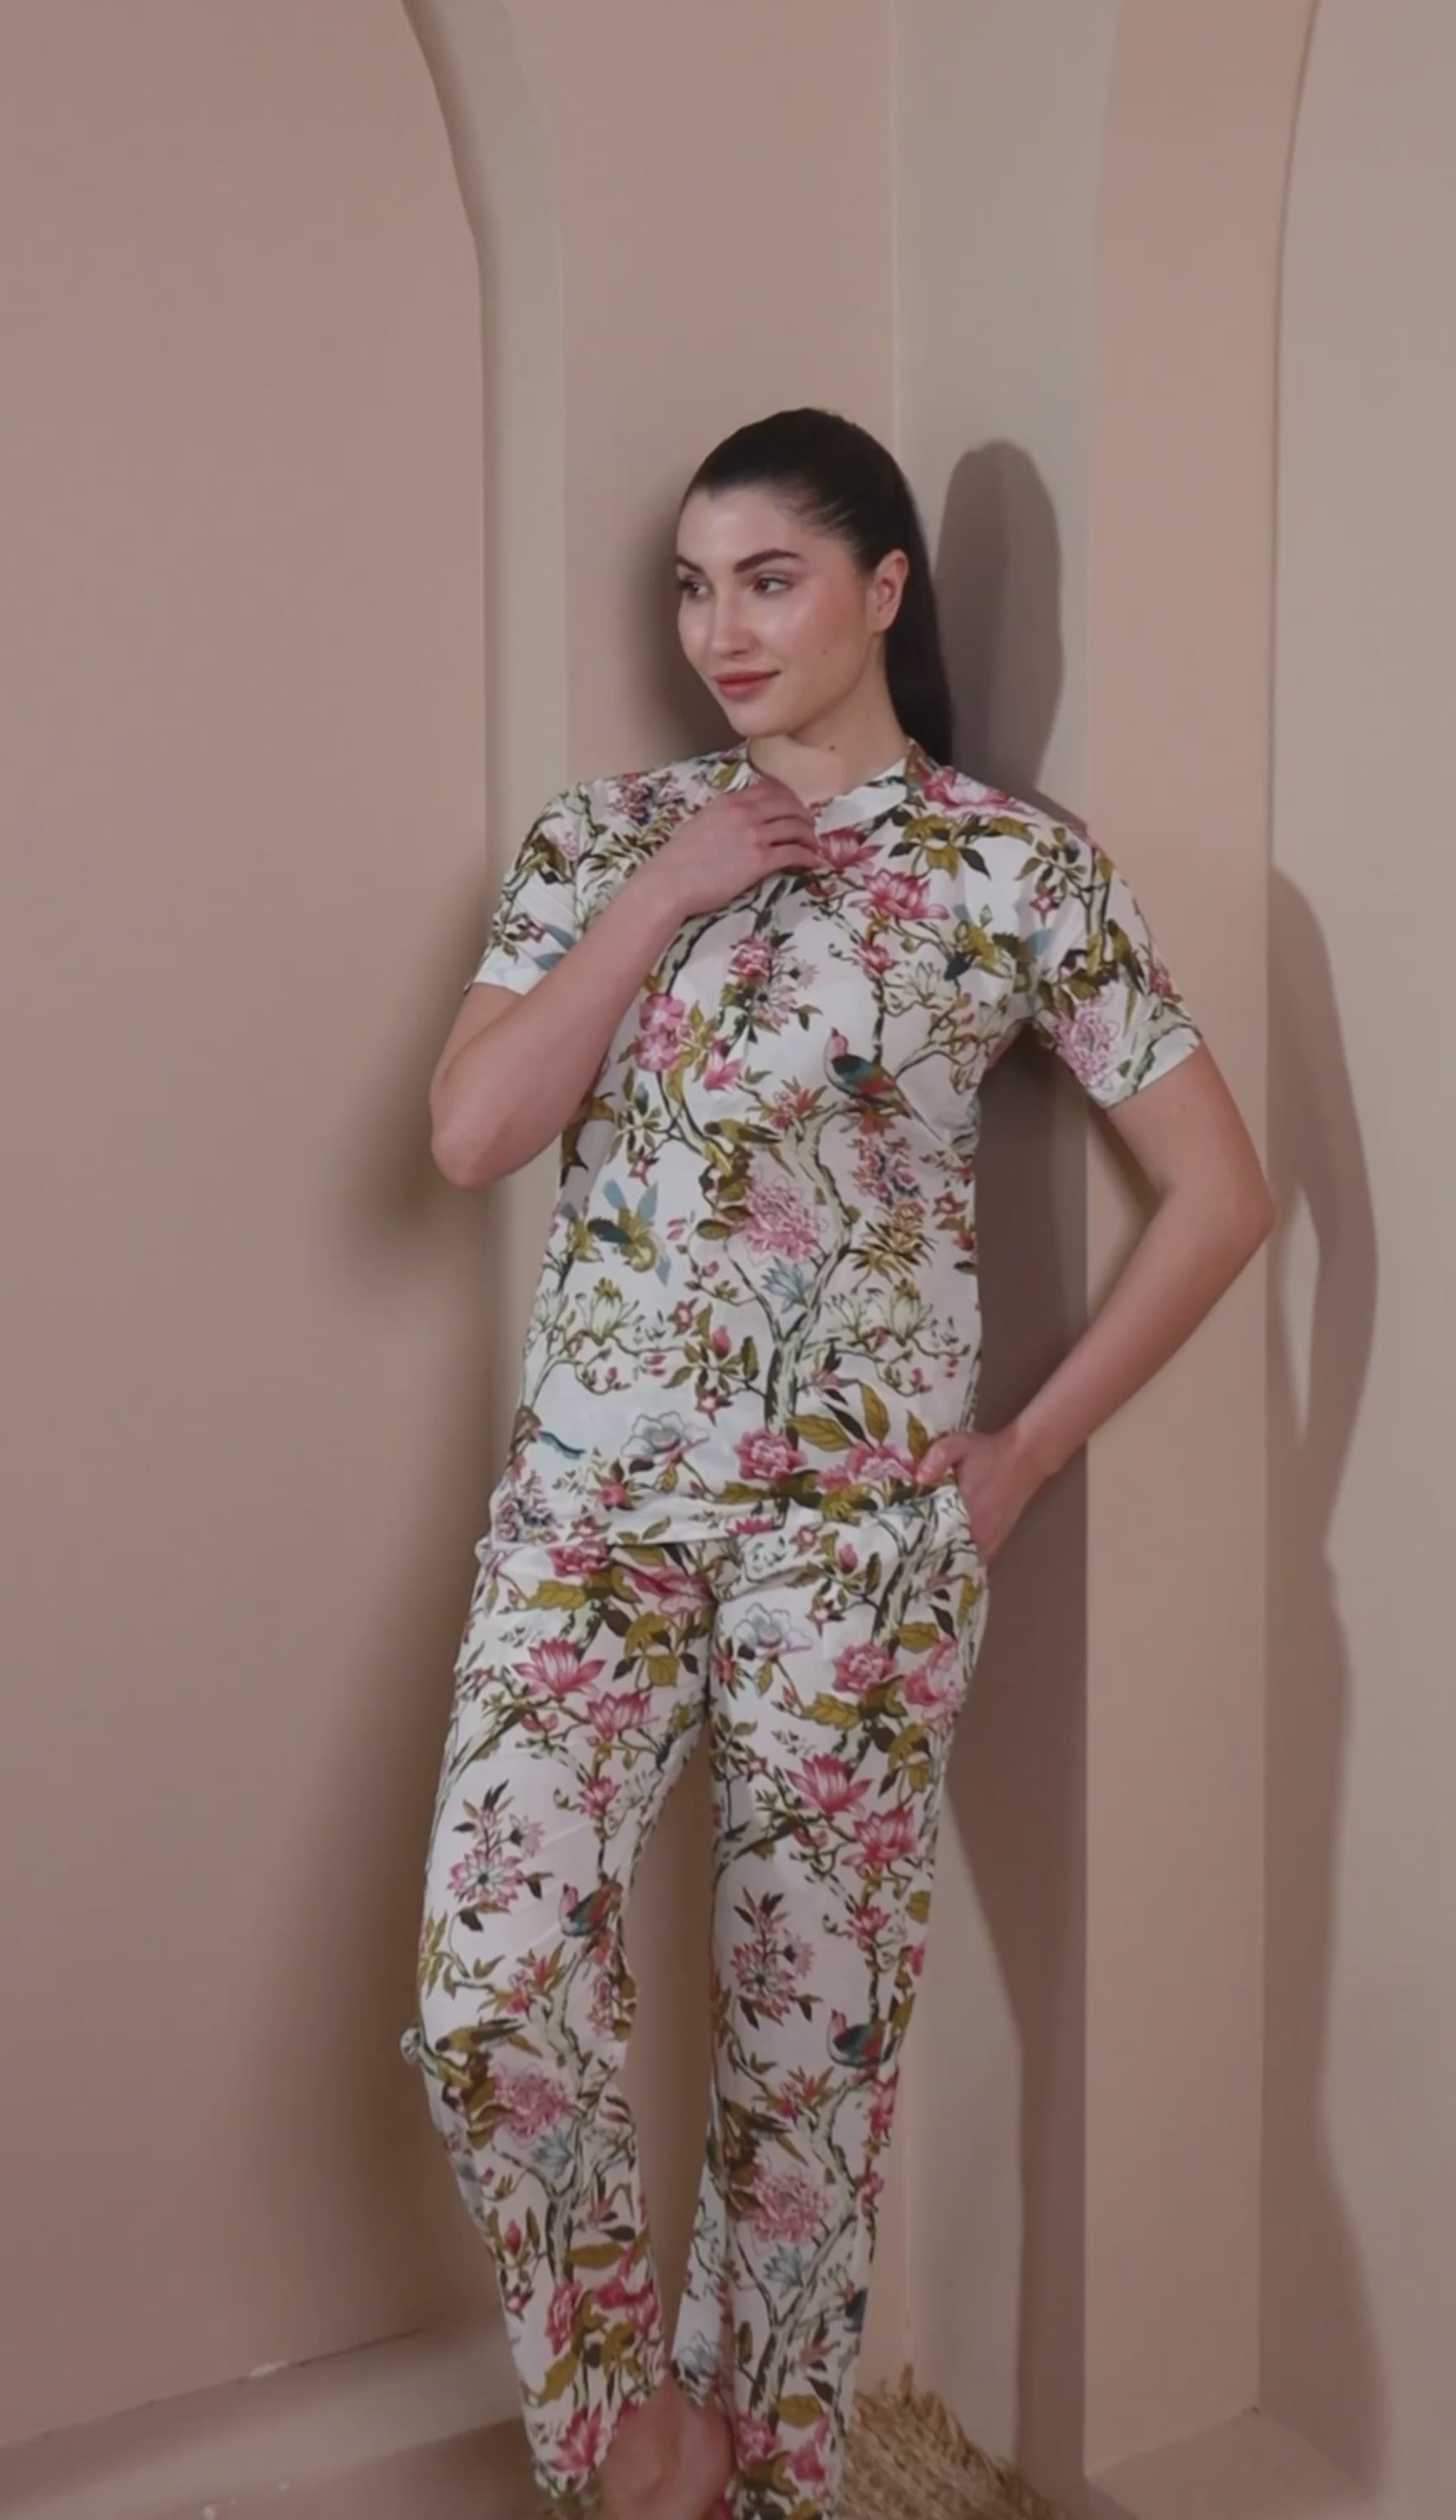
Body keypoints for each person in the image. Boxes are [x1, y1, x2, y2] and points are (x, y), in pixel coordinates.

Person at [399, 408, 1274, 2520]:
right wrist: (666, 894)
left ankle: (771, 2484)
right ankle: (641, 2445)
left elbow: (1224, 1195)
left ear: (884, 590)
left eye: (770, 579)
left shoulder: (1013, 869)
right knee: (488, 1996)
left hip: (859, 1555)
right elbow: (472, 1133)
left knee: (807, 2089)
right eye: (695, 587)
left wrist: (1023, 1459)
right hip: (593, 1521)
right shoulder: (604, 838)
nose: (723, 628)